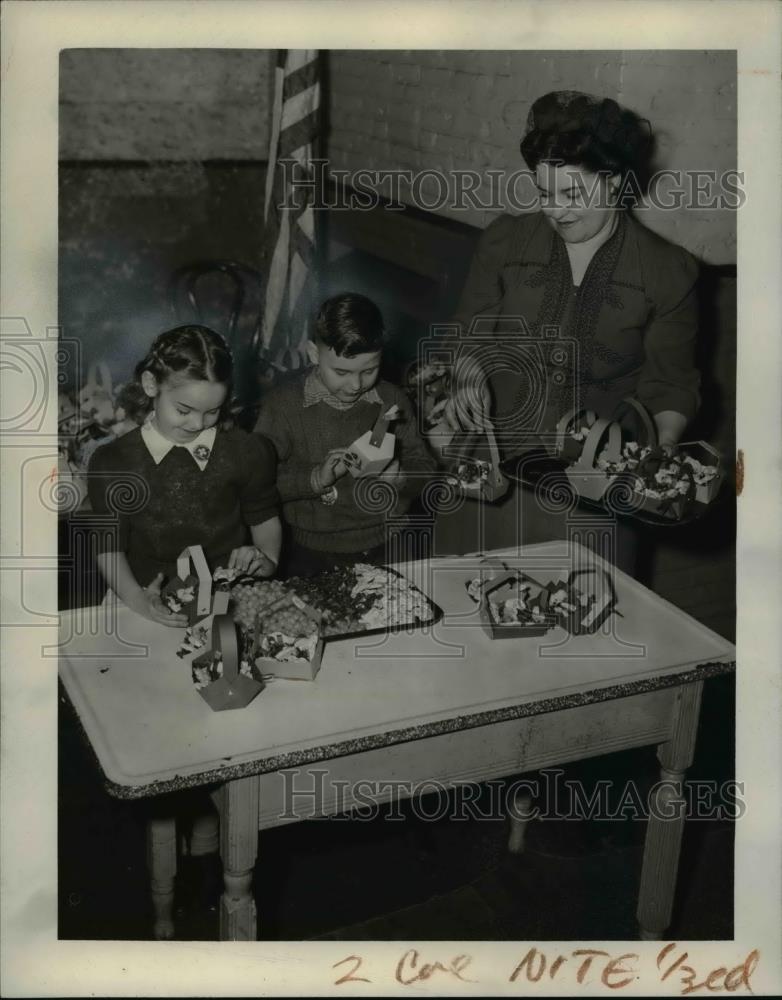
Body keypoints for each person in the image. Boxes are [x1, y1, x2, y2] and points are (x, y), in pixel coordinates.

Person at [427, 90, 702, 569]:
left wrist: (650, 464)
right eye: (543, 193)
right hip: (488, 479)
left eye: (572, 194)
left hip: (592, 501)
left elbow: (671, 388)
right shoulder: (506, 241)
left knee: (578, 624)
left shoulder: (665, 272)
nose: (554, 209)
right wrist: (467, 372)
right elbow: (465, 335)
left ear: (614, 181)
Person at [88, 324, 282, 625]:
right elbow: (107, 548)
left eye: (212, 411)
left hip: (226, 595)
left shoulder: (246, 452)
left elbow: (264, 517)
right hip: (140, 595)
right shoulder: (114, 462)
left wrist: (265, 560)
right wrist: (140, 601)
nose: (197, 423)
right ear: (151, 385)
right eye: (183, 410)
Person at [256, 293, 438, 577]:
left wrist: (402, 477)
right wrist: (314, 479)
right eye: (341, 371)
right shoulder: (281, 407)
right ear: (314, 353)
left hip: (392, 543)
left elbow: (426, 466)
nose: (355, 384)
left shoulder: (393, 400)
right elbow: (257, 486)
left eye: (369, 370)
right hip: (310, 553)